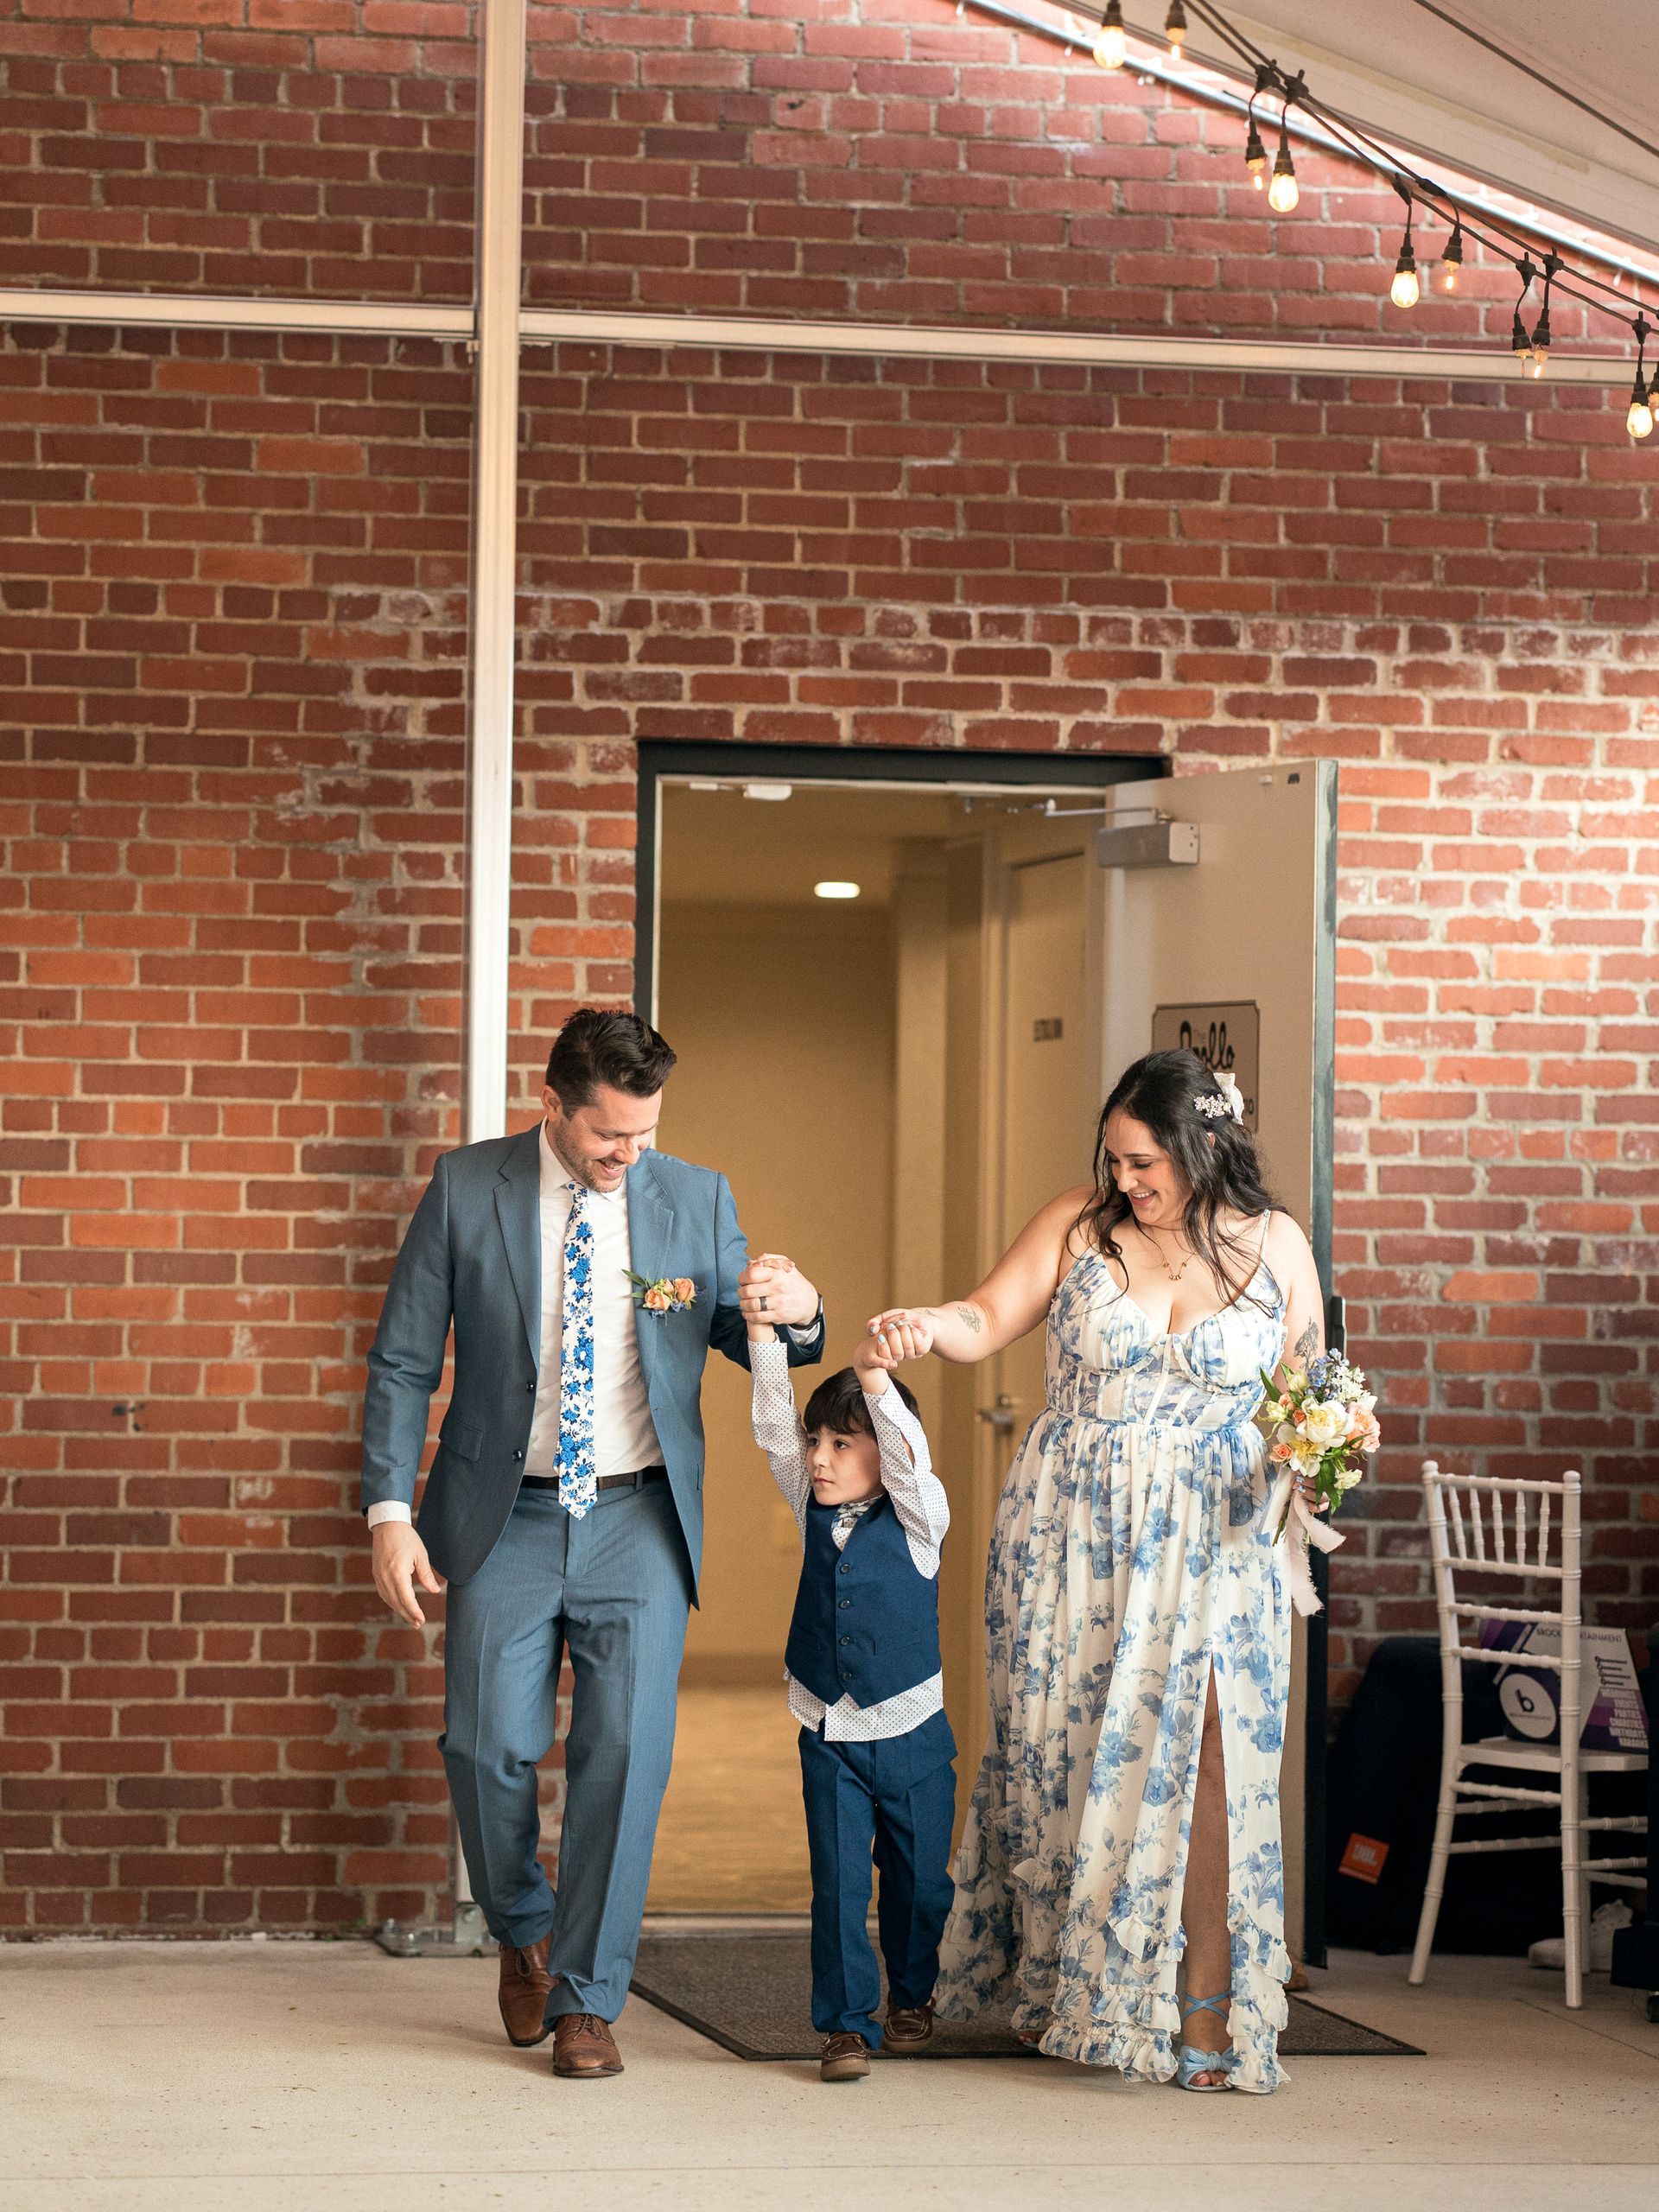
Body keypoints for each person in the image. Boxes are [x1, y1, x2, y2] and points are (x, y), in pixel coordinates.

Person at [359, 1008, 825, 2078]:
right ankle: (524, 1928)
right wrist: (391, 1511)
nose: (630, 1156)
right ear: (555, 1106)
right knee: (486, 1748)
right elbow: (401, 1361)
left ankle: (586, 1997)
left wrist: (796, 1314)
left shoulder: (693, 1196)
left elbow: (745, 1324)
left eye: (646, 1134)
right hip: (503, 1514)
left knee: (624, 1754)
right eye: (611, 1136)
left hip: (638, 1514)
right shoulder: (467, 1186)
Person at [864, 1050, 1326, 2094]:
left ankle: (1206, 2009)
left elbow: (1310, 1392)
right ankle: (1071, 1986)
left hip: (1216, 1535)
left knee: (1207, 1761)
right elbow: (985, 1318)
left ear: (1207, 1146)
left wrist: (1319, 1460)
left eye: (1146, 1160)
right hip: (1073, 1526)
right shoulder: (1080, 1224)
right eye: (1115, 1158)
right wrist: (921, 1328)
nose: (1126, 1179)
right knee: (1065, 1752)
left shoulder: (1277, 1244)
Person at [748, 1270, 957, 2084]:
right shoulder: (807, 1494)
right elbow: (773, 1429)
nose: (821, 1460)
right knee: (836, 1887)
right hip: (828, 1726)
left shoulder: (920, 1516)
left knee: (918, 1887)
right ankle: (842, 2026)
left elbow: (906, 1458)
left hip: (909, 1728)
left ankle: (913, 1993)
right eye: (819, 1444)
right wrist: (764, 1339)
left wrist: (875, 1376)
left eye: (843, 1444)